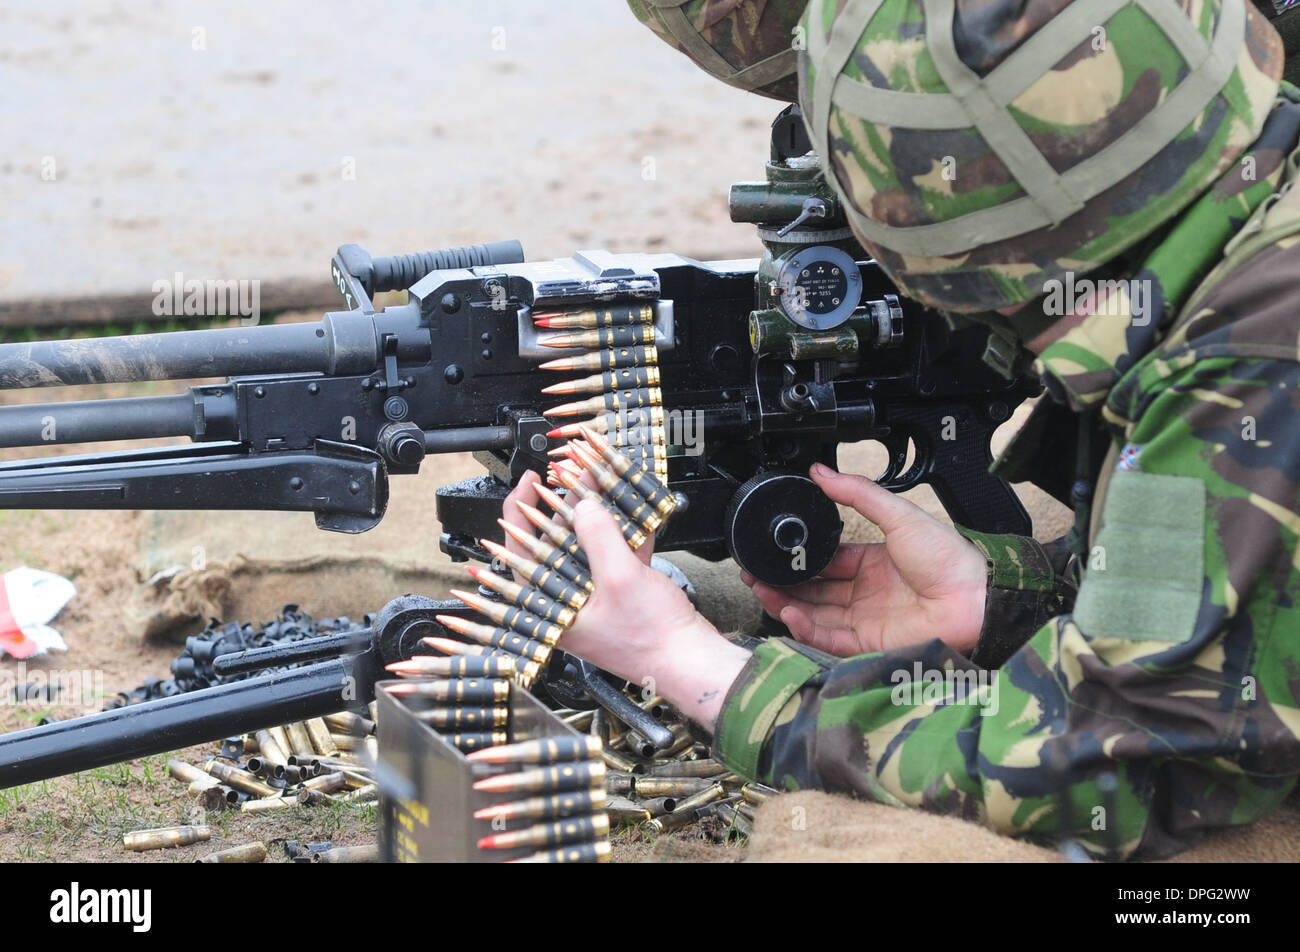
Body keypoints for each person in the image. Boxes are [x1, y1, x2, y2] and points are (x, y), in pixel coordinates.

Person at [504, 0, 1300, 859]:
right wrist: (1009, 600)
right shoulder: (1252, 250)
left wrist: (701, 670)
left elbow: (1131, 767)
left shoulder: (1244, 364)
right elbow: (1247, 596)